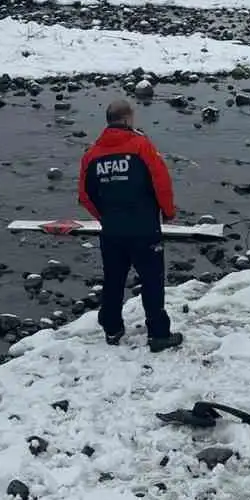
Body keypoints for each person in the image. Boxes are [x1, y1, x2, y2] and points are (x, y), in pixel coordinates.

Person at [78, 98, 181, 350]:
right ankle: (158, 334)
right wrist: (167, 212)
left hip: (112, 230)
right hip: (144, 228)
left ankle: (112, 328)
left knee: (113, 279)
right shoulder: (141, 146)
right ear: (126, 119)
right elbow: (161, 182)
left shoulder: (91, 154)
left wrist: (104, 217)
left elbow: (85, 195)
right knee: (152, 281)